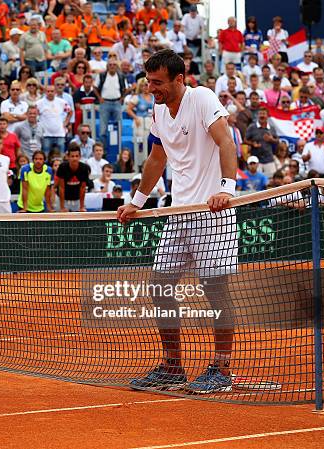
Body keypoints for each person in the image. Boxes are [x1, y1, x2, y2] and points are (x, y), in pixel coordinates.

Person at [118, 49, 238, 394]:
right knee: (160, 285)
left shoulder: (201, 98)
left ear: (179, 79)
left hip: (213, 213)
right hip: (178, 212)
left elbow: (226, 143)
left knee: (215, 290)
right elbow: (157, 159)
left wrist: (225, 189)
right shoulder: (158, 110)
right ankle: (173, 367)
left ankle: (222, 370)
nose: (151, 88)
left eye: (157, 82)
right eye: (148, 81)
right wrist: (136, 202)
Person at [97, 60, 128, 145]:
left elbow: (126, 88)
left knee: (119, 126)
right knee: (103, 129)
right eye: (110, 65)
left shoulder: (121, 76)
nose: (112, 66)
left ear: (117, 66)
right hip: (105, 103)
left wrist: (122, 98)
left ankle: (119, 148)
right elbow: (95, 87)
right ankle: (102, 150)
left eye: (114, 64)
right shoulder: (102, 75)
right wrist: (99, 98)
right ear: (107, 66)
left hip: (117, 102)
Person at [36, 84, 71, 154]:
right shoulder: (39, 103)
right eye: (48, 91)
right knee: (46, 156)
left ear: (55, 92)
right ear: (45, 92)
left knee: (61, 156)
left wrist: (66, 123)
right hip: (46, 134)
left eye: (52, 91)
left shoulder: (62, 102)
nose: (50, 93)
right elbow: (35, 114)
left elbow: (70, 112)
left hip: (60, 134)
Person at [244, 108, 278, 178]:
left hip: (269, 159)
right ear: (257, 115)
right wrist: (253, 144)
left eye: (264, 114)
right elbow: (245, 140)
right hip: (256, 160)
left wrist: (271, 139)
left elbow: (277, 141)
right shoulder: (252, 127)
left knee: (271, 180)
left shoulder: (271, 128)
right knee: (256, 181)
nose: (262, 116)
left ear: (267, 116)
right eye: (260, 114)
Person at [56, 144, 89, 212]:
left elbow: (83, 188)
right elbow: (61, 188)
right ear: (68, 157)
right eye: (72, 156)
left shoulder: (84, 168)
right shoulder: (62, 167)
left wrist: (81, 206)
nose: (75, 158)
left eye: (77, 156)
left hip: (77, 200)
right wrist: (62, 207)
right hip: (64, 200)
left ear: (80, 157)